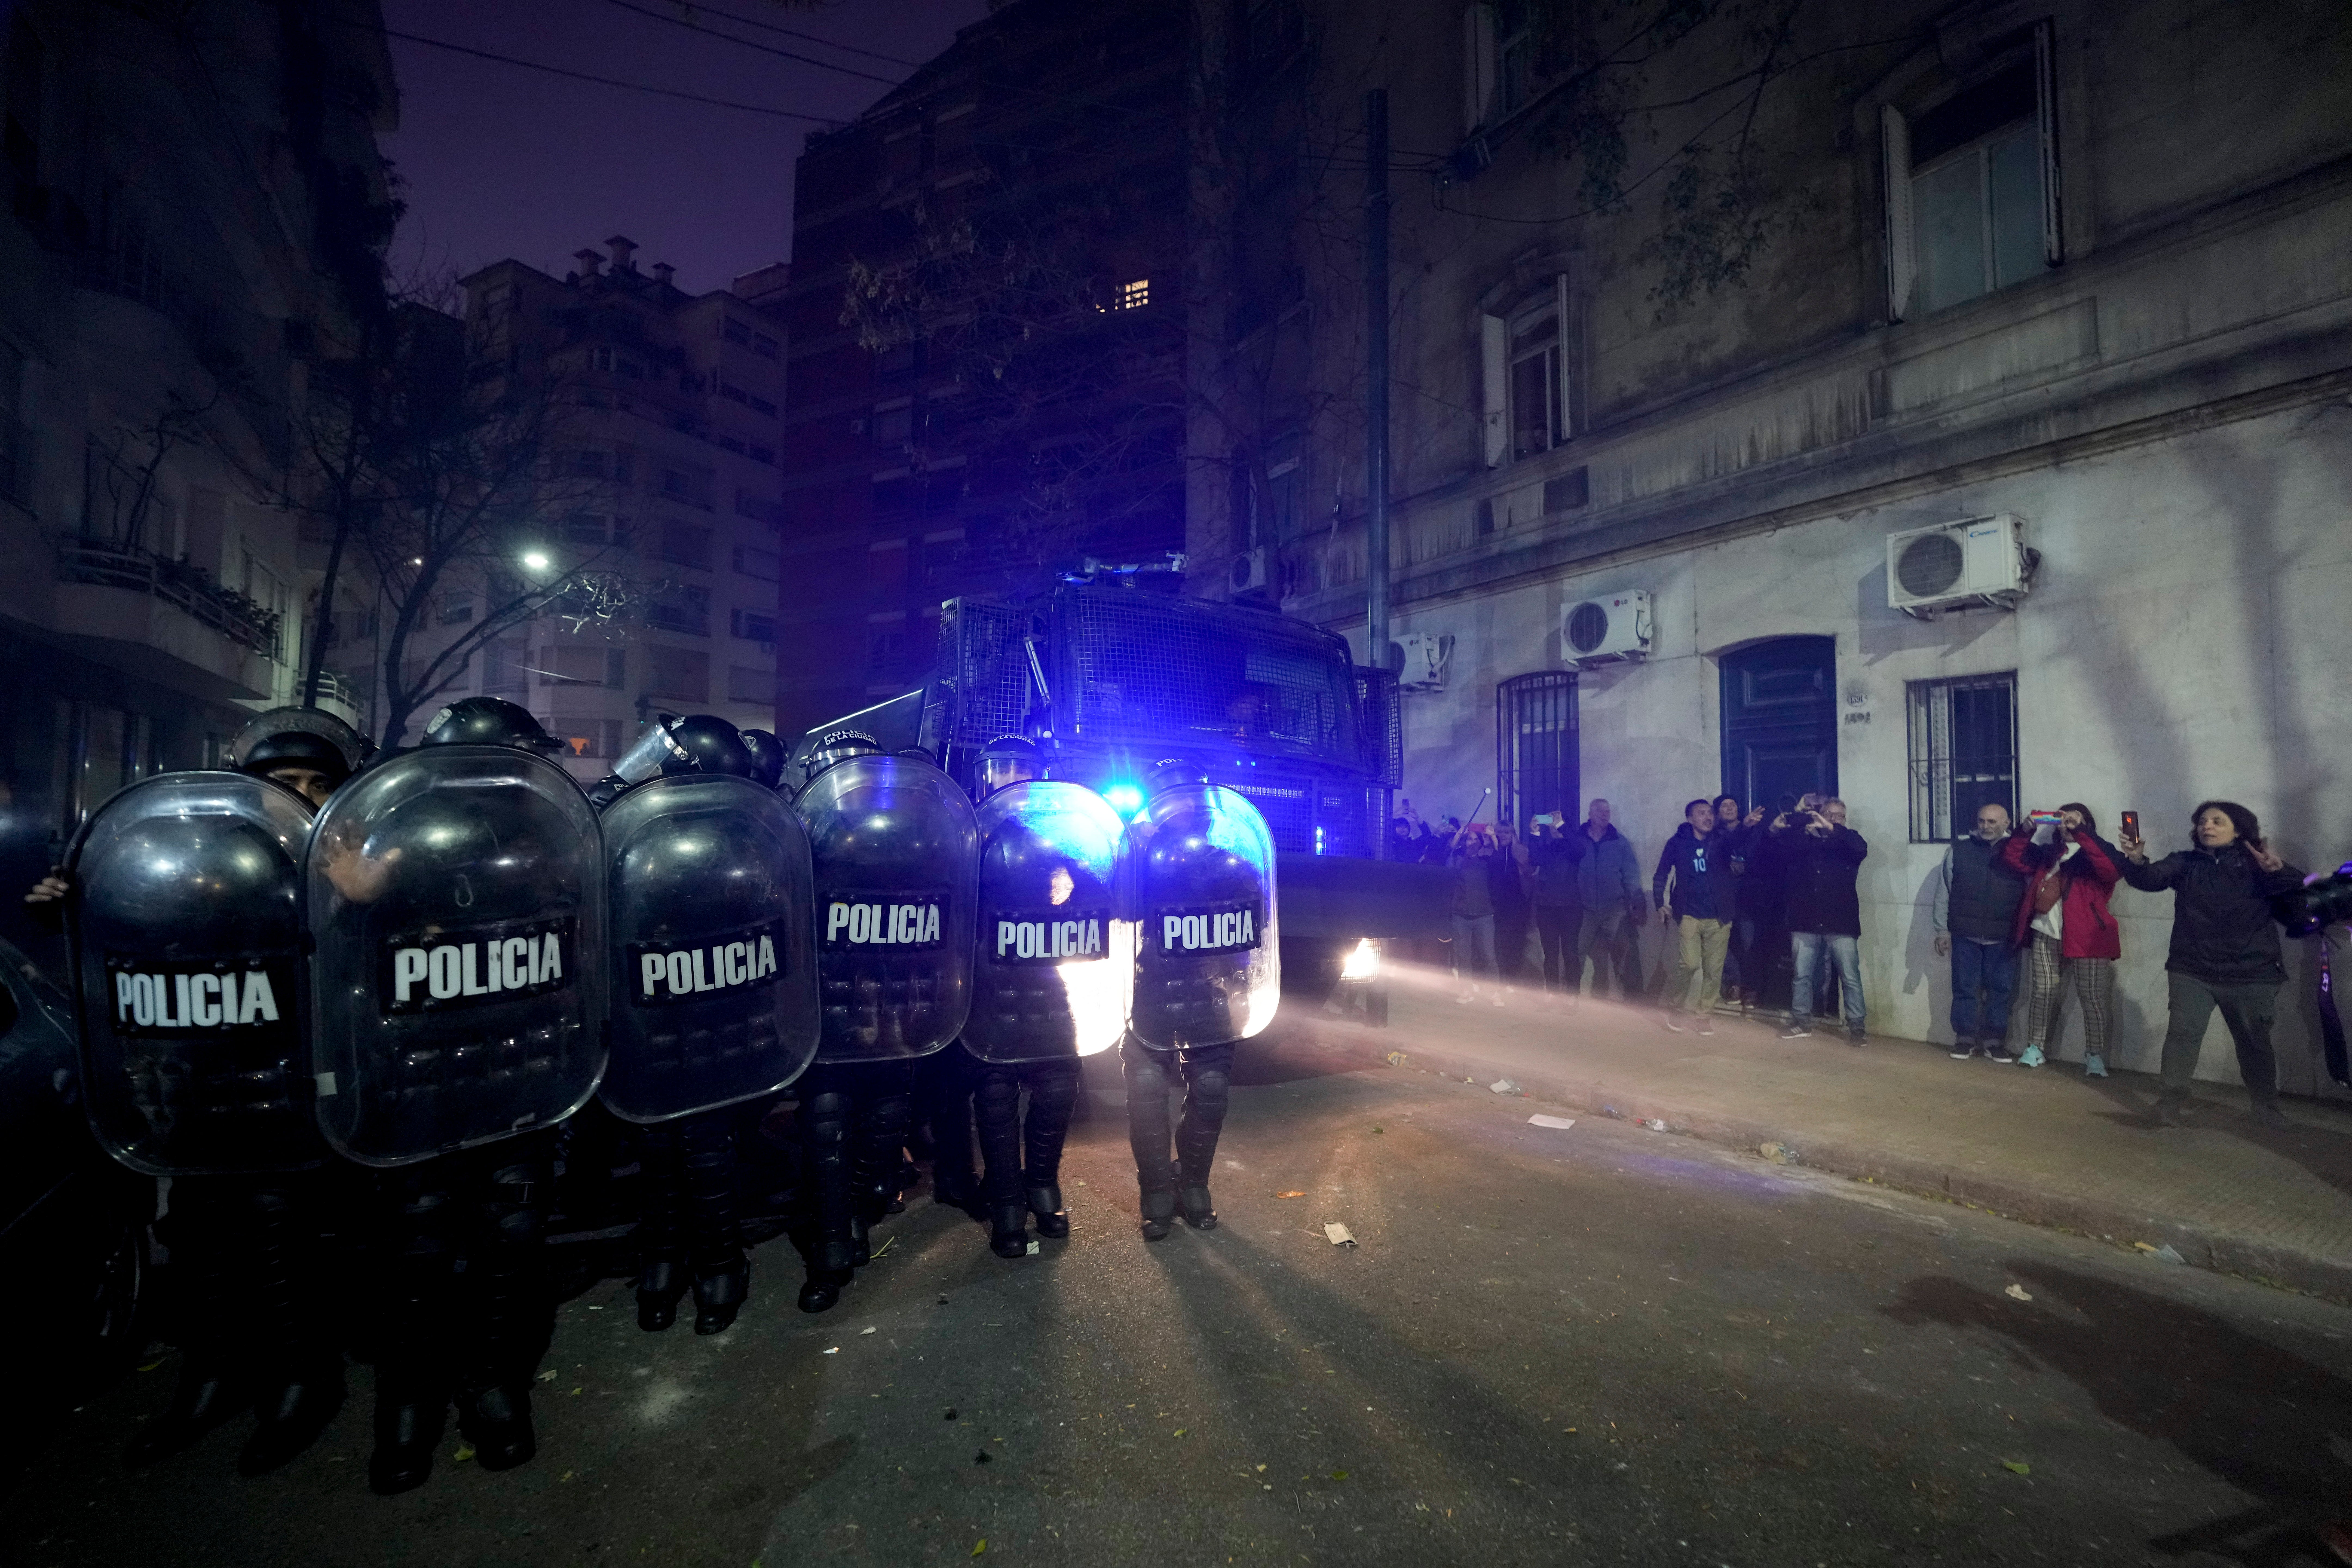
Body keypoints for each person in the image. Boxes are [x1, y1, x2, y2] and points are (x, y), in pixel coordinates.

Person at [29, 709, 365, 1477]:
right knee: (205, 1235)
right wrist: (69, 908)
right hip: (203, 1086)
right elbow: (137, 945)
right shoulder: (201, 862)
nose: (306, 798)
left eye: (320, 786)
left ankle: (301, 1383)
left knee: (286, 1239)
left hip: (299, 1088)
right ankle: (214, 1376)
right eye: (288, 785)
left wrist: (363, 894)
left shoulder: (347, 863)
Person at [2121, 800, 2307, 1129]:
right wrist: (2136, 859)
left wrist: (2281, 871)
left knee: (2254, 1043)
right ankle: (2169, 1104)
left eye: (2217, 822)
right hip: (2192, 970)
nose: (2207, 827)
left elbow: (2303, 894)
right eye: (2203, 822)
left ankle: (2266, 1109)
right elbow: (2150, 879)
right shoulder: (2186, 862)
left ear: (2239, 830)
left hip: (2253, 971)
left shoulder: (2258, 865)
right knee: (2182, 1036)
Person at [1998, 805, 2124, 1074]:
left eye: (2073, 821)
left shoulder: (2098, 853)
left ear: (2087, 824)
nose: (2066, 825)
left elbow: (2111, 871)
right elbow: (2013, 858)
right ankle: (2035, 1048)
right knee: (2042, 993)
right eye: (2062, 820)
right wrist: (2026, 830)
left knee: (2092, 999)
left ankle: (2095, 1056)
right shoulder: (2049, 854)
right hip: (2045, 932)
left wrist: (2082, 832)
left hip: (2088, 938)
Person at [1933, 803, 2027, 1062]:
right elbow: (1944, 892)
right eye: (1982, 821)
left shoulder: (2019, 852)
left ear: (2007, 823)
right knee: (1965, 987)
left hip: (2004, 935)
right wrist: (1942, 930)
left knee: (2001, 990)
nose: (1985, 827)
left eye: (1992, 822)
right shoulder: (1959, 850)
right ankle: (1964, 1039)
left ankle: (1994, 1041)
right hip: (1965, 934)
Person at [1774, 797, 1869, 1044]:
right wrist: (1797, 816)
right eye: (1830, 814)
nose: (1835, 819)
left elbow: (1860, 849)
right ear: (1820, 814)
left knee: (1850, 976)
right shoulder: (1803, 842)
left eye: (1840, 816)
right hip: (1805, 920)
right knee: (1802, 975)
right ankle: (1801, 1021)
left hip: (1841, 921)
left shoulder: (1849, 842)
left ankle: (1857, 1027)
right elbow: (1781, 846)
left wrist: (1832, 829)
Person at [1653, 798, 1735, 1034]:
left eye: (1710, 813)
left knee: (1713, 970)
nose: (1708, 817)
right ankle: (1677, 1008)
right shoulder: (1677, 843)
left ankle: (1704, 1016)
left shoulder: (1721, 840)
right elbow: (1662, 873)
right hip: (1689, 914)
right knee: (1689, 965)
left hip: (1719, 916)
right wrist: (1660, 903)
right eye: (1702, 813)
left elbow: (1740, 848)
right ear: (1690, 818)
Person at [1572, 798, 1644, 1000]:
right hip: (1585, 909)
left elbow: (1631, 873)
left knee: (1626, 953)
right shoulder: (1578, 841)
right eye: (1600, 811)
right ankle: (1569, 996)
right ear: (1590, 814)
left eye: (1608, 811)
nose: (1605, 815)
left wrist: (1637, 902)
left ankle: (1634, 999)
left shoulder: (1620, 842)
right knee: (1575, 951)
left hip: (1615, 908)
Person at [1526, 814, 1584, 992]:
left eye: (1558, 826)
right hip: (1547, 908)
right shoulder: (1547, 849)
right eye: (1552, 827)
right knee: (1550, 955)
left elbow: (1581, 850)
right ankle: (1552, 994)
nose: (1555, 830)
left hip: (1570, 908)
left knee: (1571, 954)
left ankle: (1573, 996)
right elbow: (1534, 859)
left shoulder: (1574, 850)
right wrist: (1534, 832)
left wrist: (1562, 826)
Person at [1448, 822, 1503, 1006]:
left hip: (1484, 915)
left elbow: (1499, 858)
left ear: (1480, 842)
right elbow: (1447, 857)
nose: (1472, 842)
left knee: (1489, 955)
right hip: (1461, 915)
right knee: (1463, 957)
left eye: (1475, 839)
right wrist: (1457, 836)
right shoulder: (1458, 859)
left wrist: (1492, 837)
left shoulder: (1486, 859)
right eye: (1469, 839)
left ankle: (1495, 993)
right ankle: (1465, 991)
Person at [1710, 796, 1747, 1004]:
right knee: (1722, 944)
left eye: (1733, 804)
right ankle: (1734, 984)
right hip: (1722, 897)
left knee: (1748, 944)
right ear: (1718, 812)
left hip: (1748, 897)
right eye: (1725, 806)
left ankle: (1751, 988)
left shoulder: (1751, 830)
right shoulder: (1713, 835)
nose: (1730, 808)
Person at [1490, 821, 1533, 987]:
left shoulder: (1519, 849)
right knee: (1500, 942)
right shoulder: (1493, 850)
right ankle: (1502, 977)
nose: (1503, 836)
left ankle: (1512, 978)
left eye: (1507, 833)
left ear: (1513, 834)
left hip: (1518, 904)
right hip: (1498, 904)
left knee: (1515, 942)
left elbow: (1529, 869)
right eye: (1500, 832)